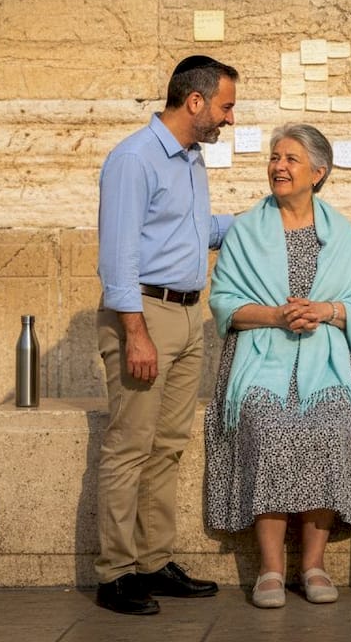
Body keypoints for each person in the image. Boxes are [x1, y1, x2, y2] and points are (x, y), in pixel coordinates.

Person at [205, 124, 351, 609]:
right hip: (260, 356)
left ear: (318, 172)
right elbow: (224, 304)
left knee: (331, 422)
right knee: (267, 421)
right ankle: (272, 569)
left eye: (291, 159)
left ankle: (314, 565)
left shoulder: (341, 233)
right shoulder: (245, 231)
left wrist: (326, 310)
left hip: (323, 360)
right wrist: (276, 316)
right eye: (275, 157)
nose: (279, 166)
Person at [94, 55, 238, 615]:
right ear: (195, 102)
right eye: (225, 106)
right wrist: (135, 332)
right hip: (145, 316)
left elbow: (198, 231)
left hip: (187, 314)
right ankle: (115, 574)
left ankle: (153, 562)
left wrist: (270, 217)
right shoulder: (134, 159)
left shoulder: (190, 160)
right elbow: (118, 255)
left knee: (168, 447)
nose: (229, 117)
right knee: (129, 447)